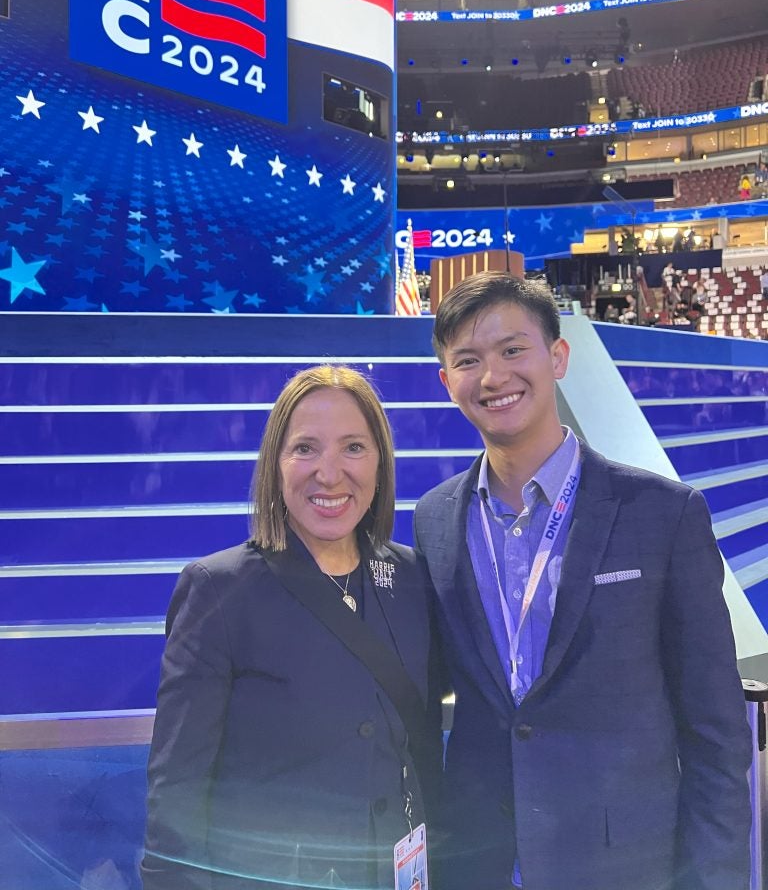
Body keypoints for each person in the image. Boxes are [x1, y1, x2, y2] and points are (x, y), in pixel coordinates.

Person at [413, 272, 751, 890]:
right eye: (468, 360)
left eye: (513, 350)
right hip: (479, 862)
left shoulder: (662, 513)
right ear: (447, 382)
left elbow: (716, 731)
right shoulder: (435, 519)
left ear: (558, 357)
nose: (493, 377)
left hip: (622, 865)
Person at [143, 365, 440, 890]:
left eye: (353, 447)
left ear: (380, 463)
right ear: (275, 465)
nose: (329, 473)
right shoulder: (219, 590)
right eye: (305, 448)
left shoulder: (413, 577)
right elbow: (178, 790)